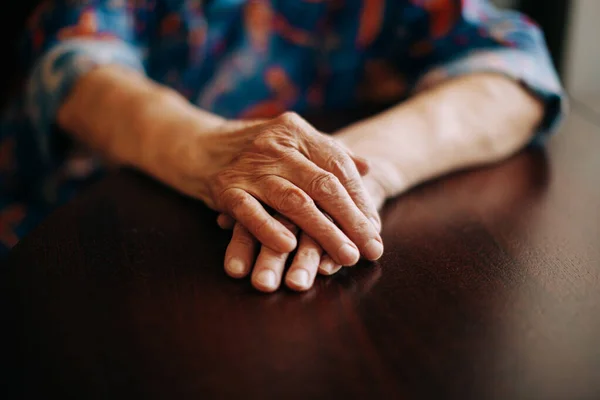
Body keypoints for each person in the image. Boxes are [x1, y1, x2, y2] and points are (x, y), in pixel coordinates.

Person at [0, 0, 565, 292]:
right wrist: (212, 148)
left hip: (306, 261)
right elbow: (73, 66)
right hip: (86, 247)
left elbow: (515, 68)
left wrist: (354, 169)